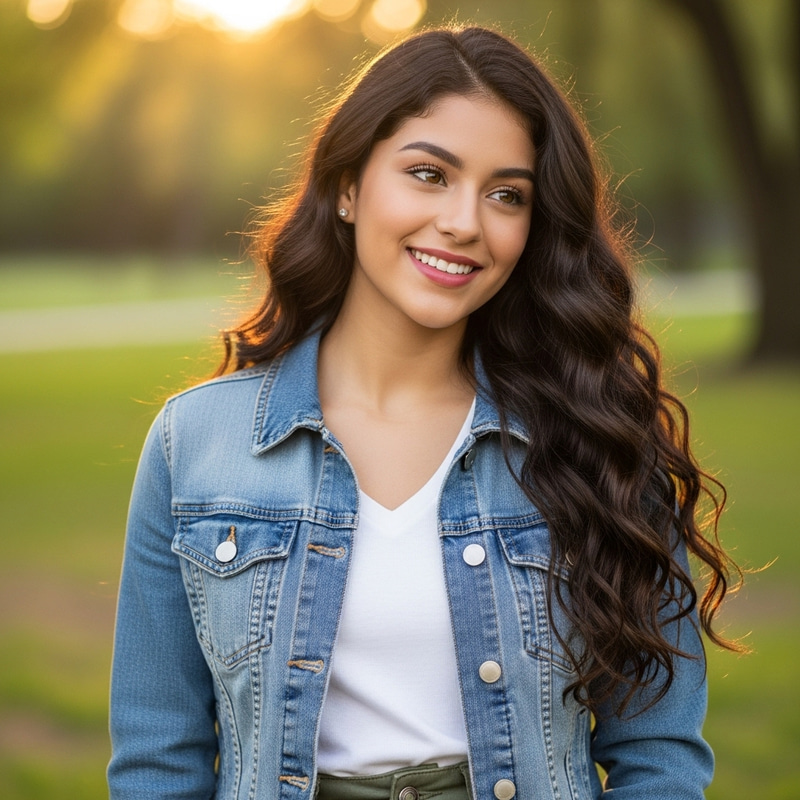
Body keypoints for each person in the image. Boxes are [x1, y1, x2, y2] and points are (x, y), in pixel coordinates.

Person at [107, 24, 738, 800]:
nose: (465, 222)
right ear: (347, 187)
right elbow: (156, 763)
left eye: (507, 194)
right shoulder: (196, 444)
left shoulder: (597, 441)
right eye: (429, 174)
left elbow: (660, 758)